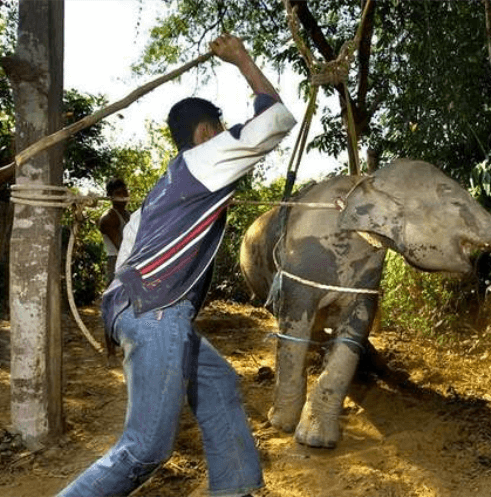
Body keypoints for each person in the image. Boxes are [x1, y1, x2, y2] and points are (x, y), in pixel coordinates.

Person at [57, 33, 296, 497]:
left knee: (219, 381)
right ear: (207, 132)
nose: (226, 135)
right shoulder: (203, 159)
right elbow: (275, 119)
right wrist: (241, 58)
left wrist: (121, 322)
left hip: (143, 310)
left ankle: (236, 489)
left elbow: (123, 265)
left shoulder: (157, 194)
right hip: (159, 313)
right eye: (220, 128)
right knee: (144, 449)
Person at [98, 177, 131, 283]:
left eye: (125, 191)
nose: (123, 196)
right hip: (117, 262)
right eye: (119, 193)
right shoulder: (109, 218)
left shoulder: (128, 215)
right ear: (111, 197)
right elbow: (122, 247)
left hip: (130, 260)